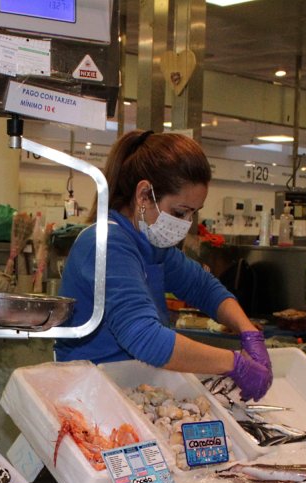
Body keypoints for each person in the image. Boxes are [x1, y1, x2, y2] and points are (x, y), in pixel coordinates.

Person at [55, 130, 272, 401]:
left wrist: (248, 331)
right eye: (180, 212)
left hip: (130, 388)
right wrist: (234, 363)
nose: (186, 223)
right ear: (144, 195)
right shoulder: (106, 243)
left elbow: (203, 287)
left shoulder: (150, 245)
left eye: (193, 213)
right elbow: (145, 338)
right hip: (90, 395)